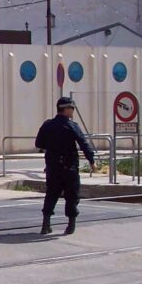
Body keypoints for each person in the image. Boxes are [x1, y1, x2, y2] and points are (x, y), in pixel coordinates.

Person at [35, 97, 96, 235]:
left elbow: (39, 143)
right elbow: (83, 143)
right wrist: (91, 160)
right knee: (72, 195)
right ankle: (70, 225)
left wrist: (52, 147)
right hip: (69, 167)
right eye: (72, 108)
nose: (73, 111)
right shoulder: (72, 125)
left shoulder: (47, 125)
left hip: (53, 167)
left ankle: (46, 224)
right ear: (66, 109)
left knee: (51, 194)